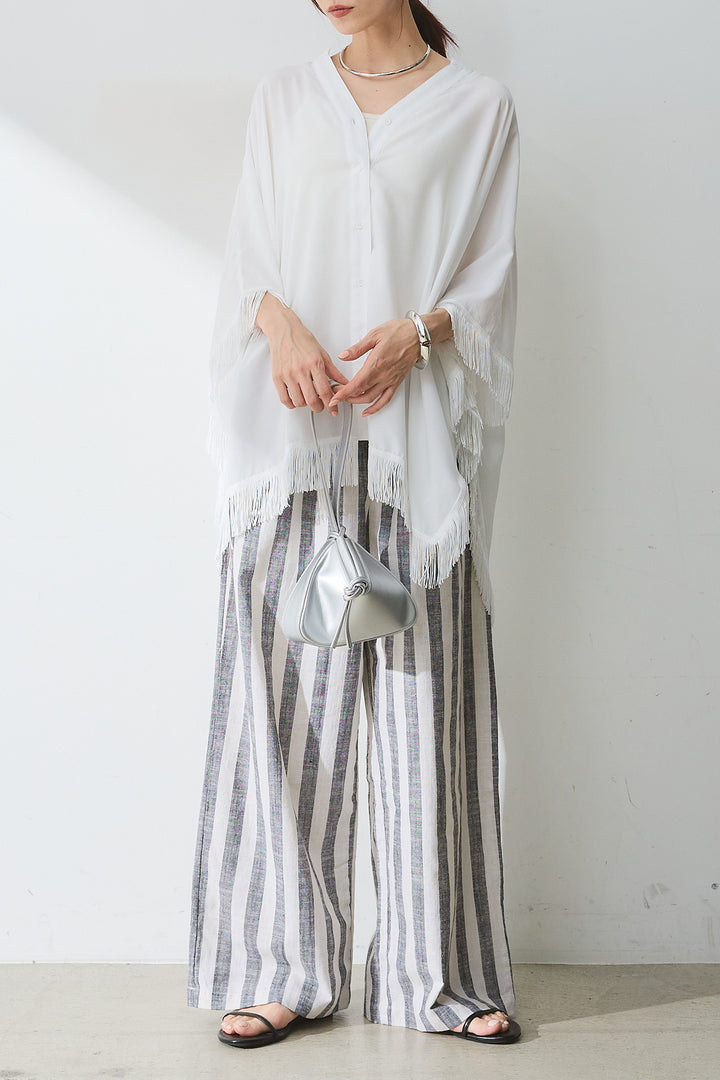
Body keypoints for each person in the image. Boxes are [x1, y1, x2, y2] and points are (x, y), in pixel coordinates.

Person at [187, 0, 521, 1050]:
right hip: (297, 444)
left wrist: (420, 335)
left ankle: (439, 975)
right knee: (285, 710)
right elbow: (249, 255)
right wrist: (280, 321)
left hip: (413, 451)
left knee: (428, 709)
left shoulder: (479, 108)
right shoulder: (286, 99)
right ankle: (281, 967)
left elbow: (490, 276)